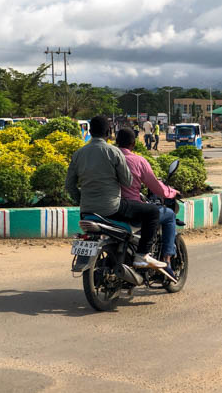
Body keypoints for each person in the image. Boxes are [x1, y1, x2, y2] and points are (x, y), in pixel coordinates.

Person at [65, 115, 166, 269]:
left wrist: (81, 199)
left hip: (86, 211)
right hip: (112, 208)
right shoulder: (113, 152)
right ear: (109, 132)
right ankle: (142, 255)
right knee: (152, 211)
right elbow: (127, 181)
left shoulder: (78, 154)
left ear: (90, 131)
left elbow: (70, 185)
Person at [116, 127, 178, 278]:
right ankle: (166, 260)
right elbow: (156, 187)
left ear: (116, 142)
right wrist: (172, 192)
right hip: (131, 209)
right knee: (168, 215)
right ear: (133, 143)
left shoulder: (109, 159)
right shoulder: (138, 161)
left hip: (110, 208)